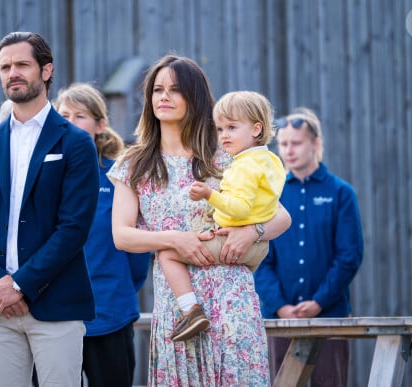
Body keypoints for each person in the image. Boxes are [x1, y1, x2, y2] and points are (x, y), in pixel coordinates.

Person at [108, 54, 291, 386]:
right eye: (157, 89)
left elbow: (282, 216)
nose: (164, 97)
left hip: (231, 294)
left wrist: (253, 232)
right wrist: (175, 240)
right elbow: (122, 236)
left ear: (195, 97)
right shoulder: (133, 164)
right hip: (181, 303)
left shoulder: (226, 154)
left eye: (175, 90)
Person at [0, 31, 99, 387]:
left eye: (22, 64)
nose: (12, 73)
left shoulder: (76, 143)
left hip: (57, 304)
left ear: (46, 70)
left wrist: (20, 285)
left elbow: (73, 229)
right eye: (5, 67)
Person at [159, 90, 286, 341]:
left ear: (256, 129)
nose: (224, 135)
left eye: (231, 128)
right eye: (219, 129)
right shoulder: (268, 160)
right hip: (259, 246)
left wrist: (210, 194)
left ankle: (191, 310)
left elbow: (240, 209)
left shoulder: (243, 166)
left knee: (167, 253)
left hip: (236, 239)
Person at [254, 107, 363, 387]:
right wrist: (279, 306)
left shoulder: (341, 193)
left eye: (296, 143)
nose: (289, 150)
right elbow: (259, 257)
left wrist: (319, 303)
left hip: (330, 316)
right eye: (284, 144)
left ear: (315, 143)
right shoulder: (270, 194)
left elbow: (349, 256)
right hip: (279, 320)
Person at [54, 82, 151, 387]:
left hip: (109, 311)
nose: (69, 122)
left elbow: (138, 252)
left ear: (100, 125)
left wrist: (119, 288)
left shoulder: (119, 176)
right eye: (63, 115)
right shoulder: (43, 174)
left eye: (79, 116)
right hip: (55, 315)